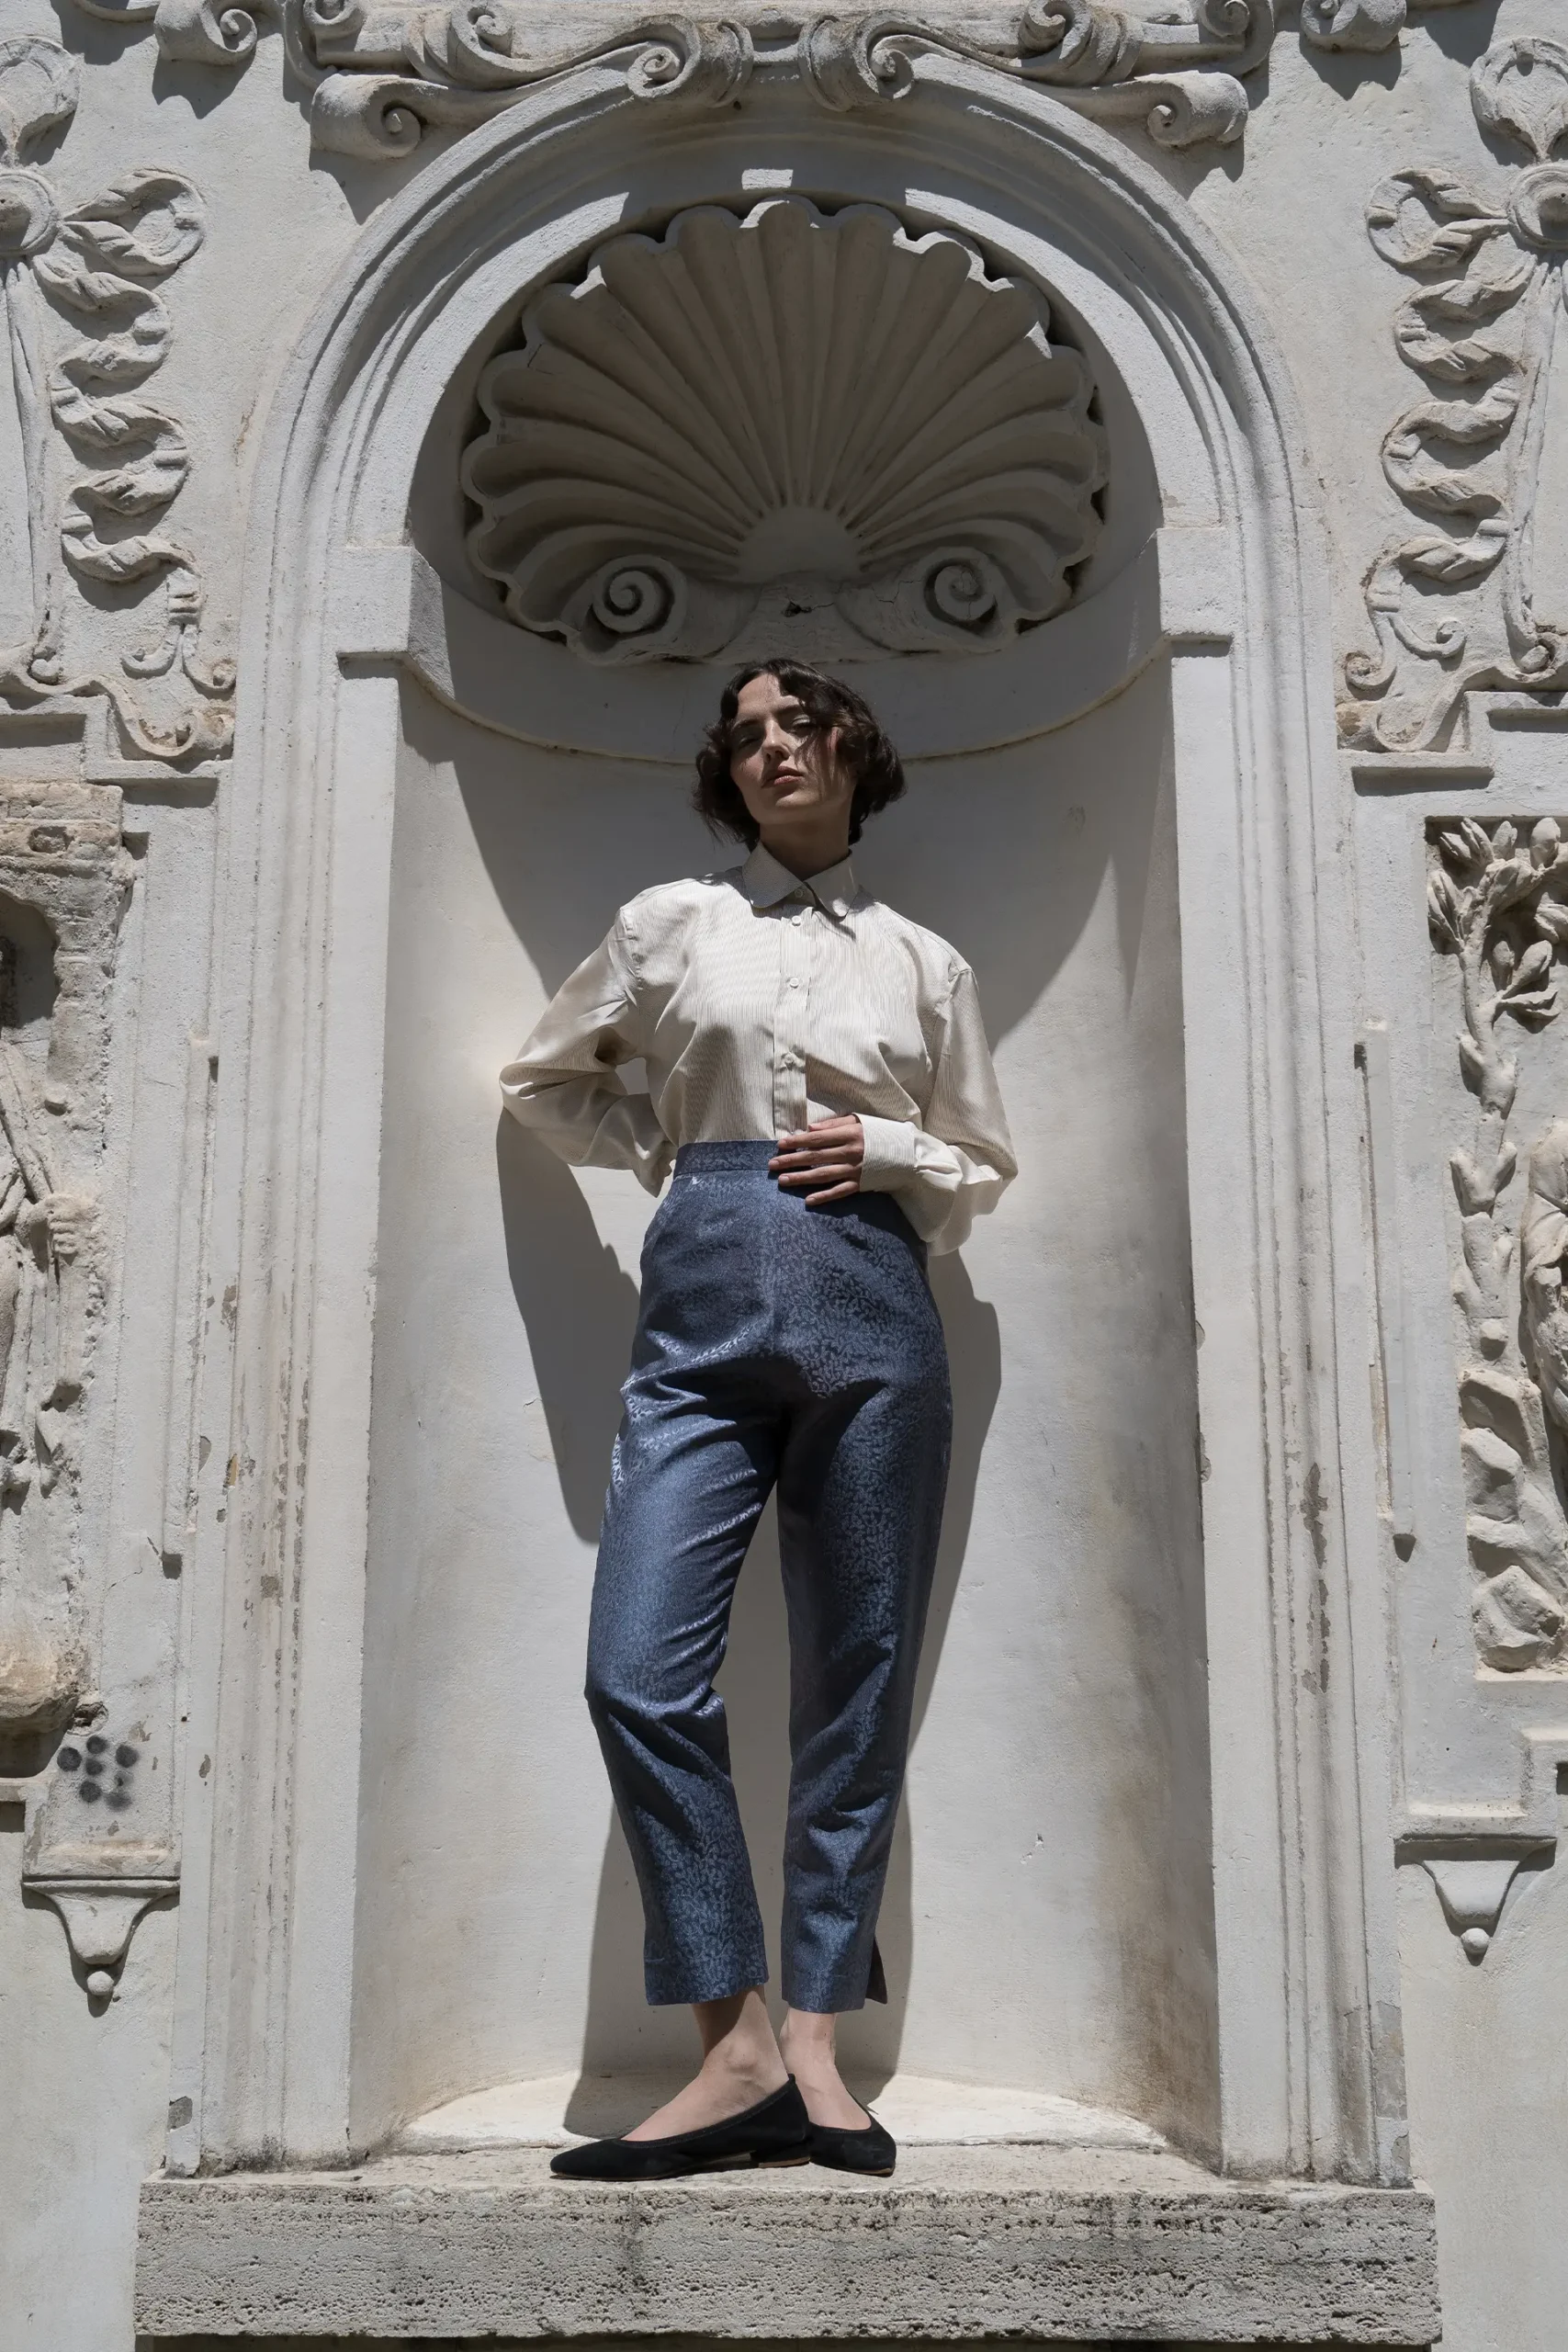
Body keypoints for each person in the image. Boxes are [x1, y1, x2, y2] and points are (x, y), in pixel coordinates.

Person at [501, 660, 1016, 2180]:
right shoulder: (674, 923)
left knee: (855, 1680)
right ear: (724, 773)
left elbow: (982, 1164)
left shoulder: (924, 962)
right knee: (635, 1674)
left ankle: (813, 2045)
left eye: (797, 725)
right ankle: (729, 2042)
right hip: (703, 1309)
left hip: (876, 1309)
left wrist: (891, 1149)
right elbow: (543, 1079)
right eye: (745, 737)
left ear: (854, 745)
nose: (771, 749)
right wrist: (676, 1150)